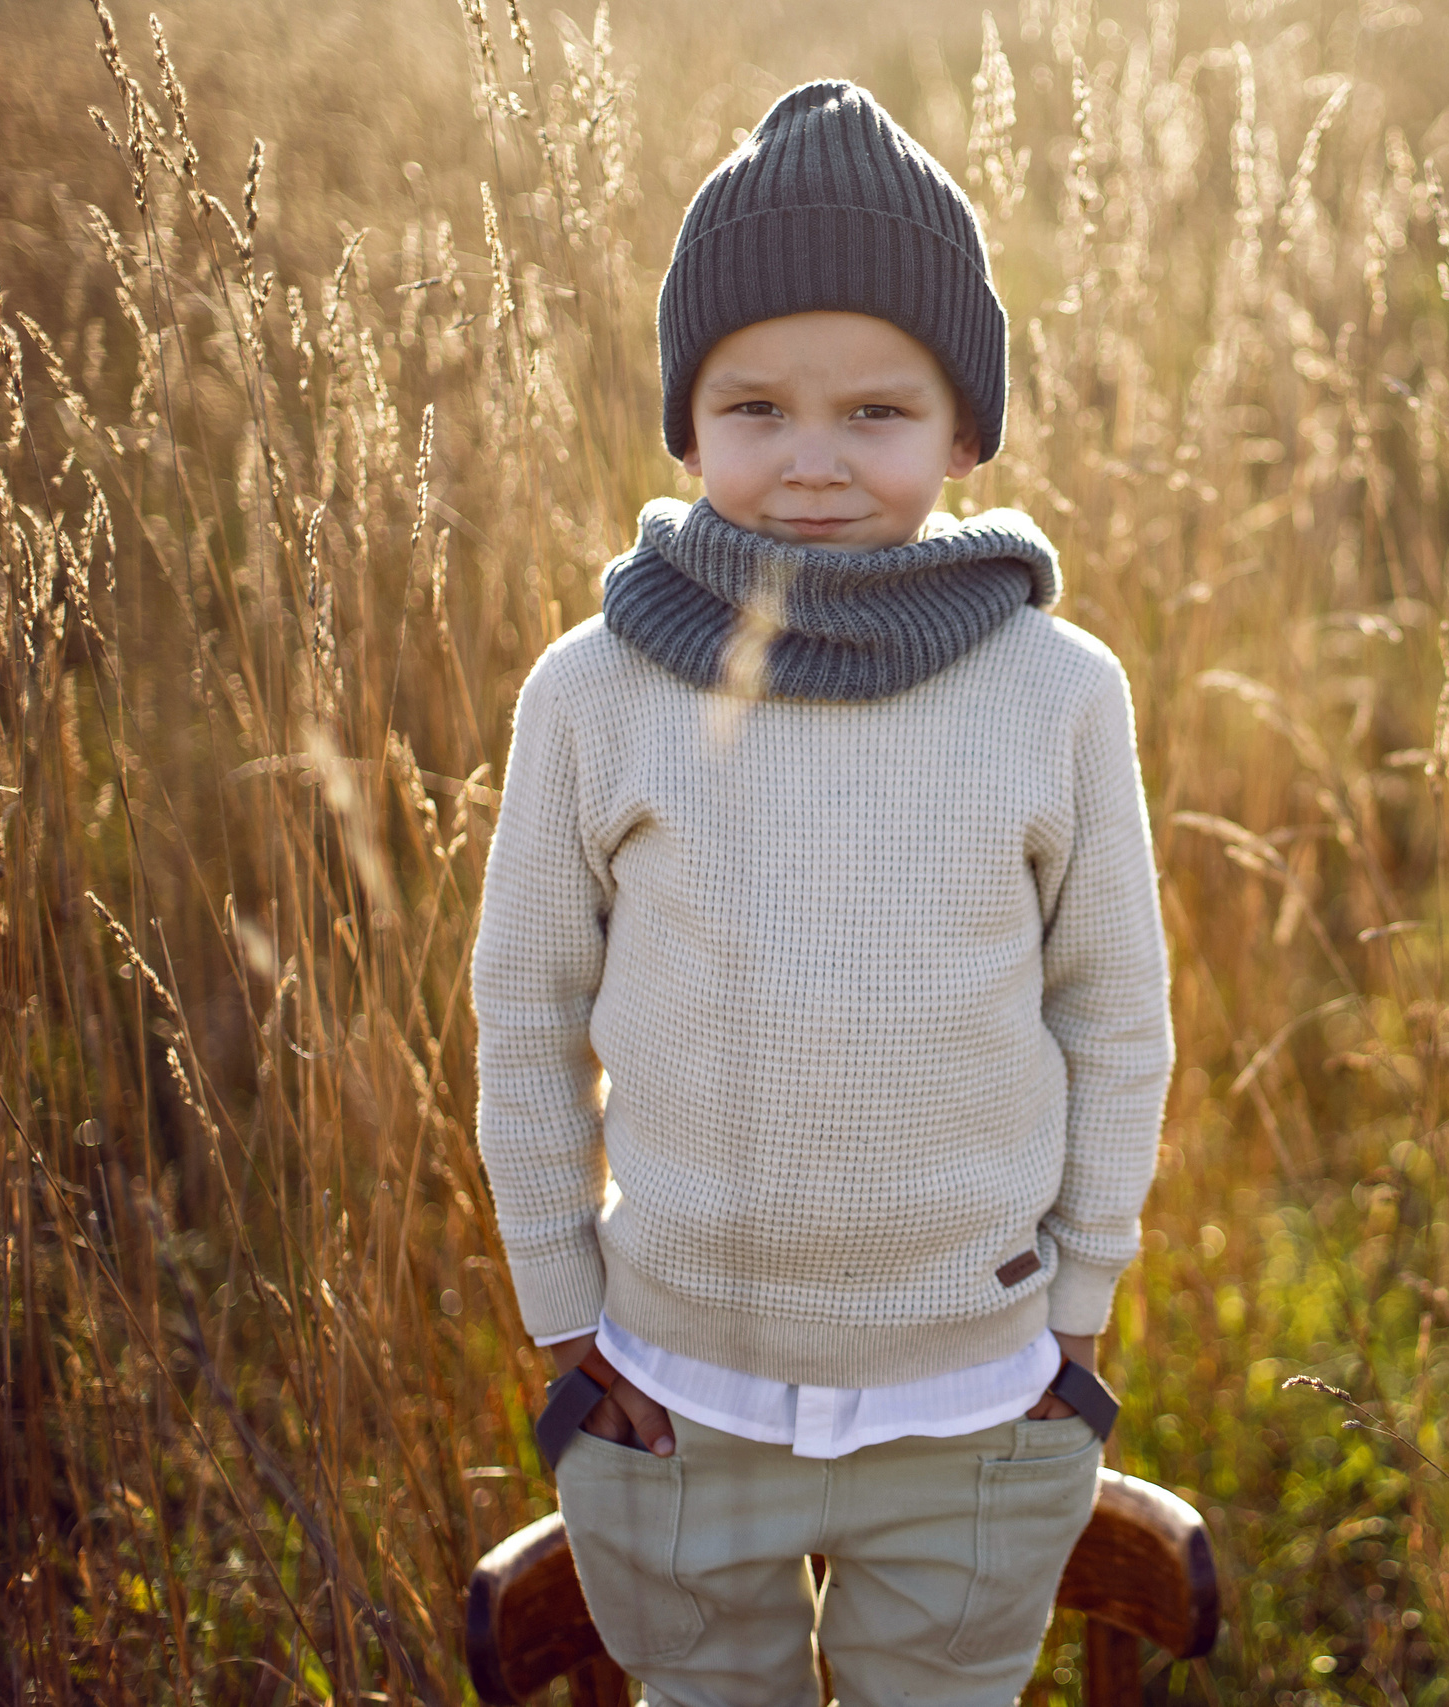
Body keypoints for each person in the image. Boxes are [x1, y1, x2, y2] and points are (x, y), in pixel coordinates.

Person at [470, 79, 1174, 1707]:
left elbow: (1112, 1014)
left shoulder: (1054, 689)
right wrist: (565, 1311)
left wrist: (1077, 1308)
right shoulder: (596, 692)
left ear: (967, 429)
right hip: (673, 1391)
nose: (810, 463)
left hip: (976, 1396)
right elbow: (527, 1014)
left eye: (877, 412)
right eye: (754, 409)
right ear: (685, 421)